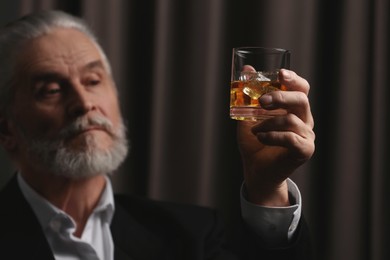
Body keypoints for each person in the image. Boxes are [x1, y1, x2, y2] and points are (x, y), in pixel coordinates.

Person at [0, 10, 315, 260]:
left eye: (93, 81)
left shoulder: (192, 237)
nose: (84, 103)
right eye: (51, 90)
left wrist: (266, 188)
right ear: (6, 128)